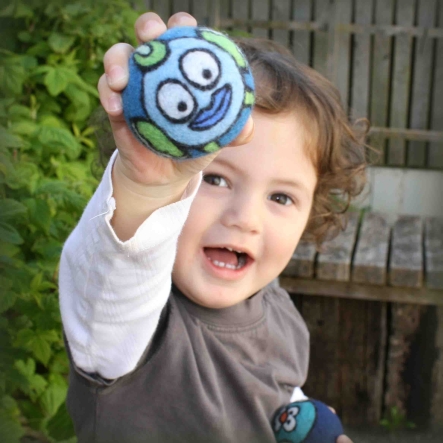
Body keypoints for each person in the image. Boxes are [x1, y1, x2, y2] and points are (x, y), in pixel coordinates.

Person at [59, 11, 365, 443]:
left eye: (281, 197)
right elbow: (117, 270)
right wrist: (145, 186)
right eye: (214, 178)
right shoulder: (130, 330)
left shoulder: (277, 310)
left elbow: (270, 389)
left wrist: (300, 417)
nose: (245, 218)